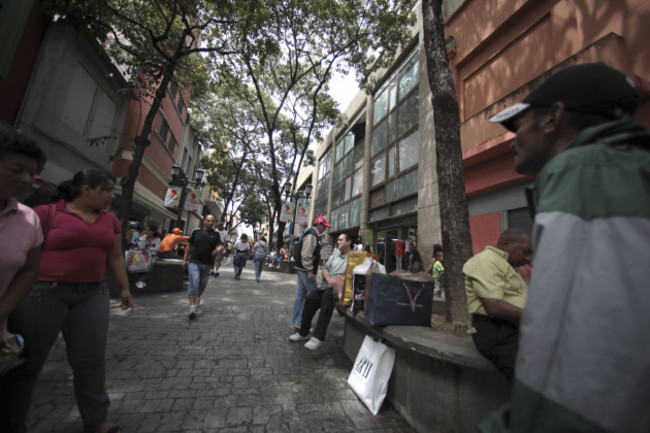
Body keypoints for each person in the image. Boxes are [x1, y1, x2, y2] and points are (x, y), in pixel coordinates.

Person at [482, 62, 650, 432]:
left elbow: (564, 350)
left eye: (518, 123)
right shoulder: (625, 169)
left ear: (553, 117)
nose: (514, 137)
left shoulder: (582, 173)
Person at [1, 168, 134, 433]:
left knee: (90, 360)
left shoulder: (110, 221)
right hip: (44, 293)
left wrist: (124, 289)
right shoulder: (45, 214)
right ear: (85, 190)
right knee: (28, 362)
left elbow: (116, 257)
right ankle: (12, 422)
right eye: (106, 190)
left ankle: (97, 419)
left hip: (92, 294)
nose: (111, 196)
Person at [0, 130, 46, 376]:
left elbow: (29, 271)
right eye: (17, 169)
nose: (26, 179)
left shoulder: (28, 218)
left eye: (31, 173)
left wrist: (3, 310)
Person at [463, 228, 532, 383]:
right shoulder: (486, 261)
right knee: (526, 373)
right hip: (498, 329)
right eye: (525, 252)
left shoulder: (511, 266)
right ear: (506, 244)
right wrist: (536, 317)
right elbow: (494, 306)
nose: (528, 258)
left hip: (515, 326)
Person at [289, 233, 352, 350]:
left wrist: (335, 281)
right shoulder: (335, 255)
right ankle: (304, 332)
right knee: (310, 298)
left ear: (349, 242)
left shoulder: (353, 258)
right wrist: (328, 278)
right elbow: (324, 270)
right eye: (337, 240)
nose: (338, 242)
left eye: (341, 240)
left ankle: (318, 336)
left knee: (326, 298)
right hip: (326, 285)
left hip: (339, 288)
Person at [291, 216, 330, 330]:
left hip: (301, 269)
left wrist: (321, 246)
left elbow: (308, 251)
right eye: (325, 227)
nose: (325, 229)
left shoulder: (311, 234)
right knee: (314, 296)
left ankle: (296, 322)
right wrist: (310, 271)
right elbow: (306, 254)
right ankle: (300, 321)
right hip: (305, 270)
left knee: (300, 296)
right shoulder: (312, 234)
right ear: (320, 224)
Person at [182, 214, 222, 319]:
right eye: (208, 221)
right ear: (204, 221)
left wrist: (217, 250)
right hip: (194, 261)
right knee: (194, 282)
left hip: (207, 263)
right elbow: (189, 245)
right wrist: (185, 259)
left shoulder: (215, 234)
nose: (210, 223)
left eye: (212, 221)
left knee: (202, 284)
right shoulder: (196, 232)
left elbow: (220, 245)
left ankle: (197, 297)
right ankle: (192, 307)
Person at [134, 223, 161, 289]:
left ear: (153, 232)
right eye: (145, 230)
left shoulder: (157, 239)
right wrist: (143, 239)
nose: (146, 232)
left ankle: (141, 280)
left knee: (150, 263)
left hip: (152, 255)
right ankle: (140, 280)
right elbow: (141, 246)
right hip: (142, 254)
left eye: (148, 230)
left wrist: (147, 248)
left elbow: (157, 248)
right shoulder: (142, 238)